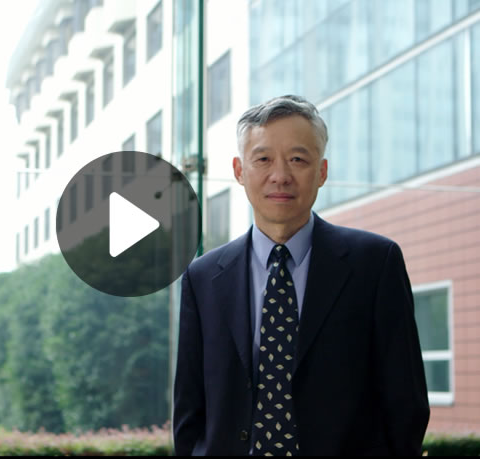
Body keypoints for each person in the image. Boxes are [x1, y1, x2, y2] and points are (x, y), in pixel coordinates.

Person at [172, 95, 430, 456]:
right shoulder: (202, 279)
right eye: (263, 159)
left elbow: (407, 404)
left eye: (297, 159)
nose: (280, 176)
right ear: (239, 170)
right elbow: (189, 412)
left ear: (321, 172)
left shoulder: (375, 264)